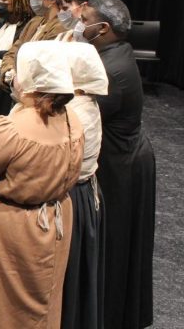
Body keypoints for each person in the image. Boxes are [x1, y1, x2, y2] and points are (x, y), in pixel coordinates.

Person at [0, 41, 83, 329]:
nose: (13, 78)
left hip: (12, 229)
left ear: (32, 80)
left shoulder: (11, 130)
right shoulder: (74, 121)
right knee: (44, 301)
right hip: (55, 221)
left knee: (2, 306)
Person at [79, 0, 155, 329]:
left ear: (103, 29)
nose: (79, 25)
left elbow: (81, 113)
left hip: (122, 165)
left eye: (84, 19)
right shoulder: (112, 54)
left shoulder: (111, 70)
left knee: (116, 243)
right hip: (121, 156)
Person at [61, 42, 109, 329]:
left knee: (71, 273)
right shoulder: (81, 103)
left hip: (73, 198)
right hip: (82, 195)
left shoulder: (75, 111)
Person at [0, 0, 79, 90]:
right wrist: (9, 72)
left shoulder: (62, 27)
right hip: (18, 88)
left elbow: (42, 63)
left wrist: (19, 76)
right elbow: (12, 51)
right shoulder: (35, 22)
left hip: (38, 92)